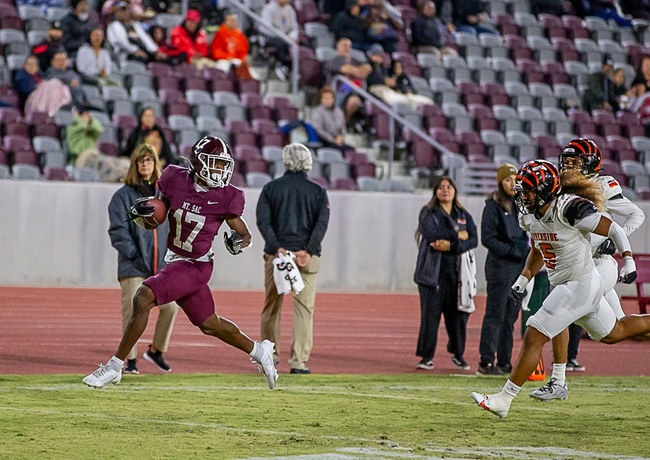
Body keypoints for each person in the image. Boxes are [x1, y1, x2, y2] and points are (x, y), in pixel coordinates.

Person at [82, 135, 279, 389]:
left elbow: (245, 234)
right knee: (210, 324)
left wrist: (239, 242)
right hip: (176, 258)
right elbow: (162, 208)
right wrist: (150, 212)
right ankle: (259, 351)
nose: (220, 169)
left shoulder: (226, 196)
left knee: (143, 297)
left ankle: (115, 366)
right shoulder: (174, 178)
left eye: (223, 164)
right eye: (215, 163)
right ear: (199, 162)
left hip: (197, 265)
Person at [471, 159, 650, 419]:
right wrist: (524, 278)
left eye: (527, 190)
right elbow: (539, 246)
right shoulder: (530, 215)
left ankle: (504, 399)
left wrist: (629, 259)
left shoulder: (569, 208)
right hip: (571, 284)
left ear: (544, 189)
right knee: (614, 332)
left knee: (534, 332)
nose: (522, 195)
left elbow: (613, 229)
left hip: (581, 283)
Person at [528, 139, 645, 400]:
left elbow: (636, 215)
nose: (568, 165)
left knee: (558, 308)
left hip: (598, 263)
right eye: (566, 160)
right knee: (617, 331)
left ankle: (558, 381)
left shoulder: (603, 185)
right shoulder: (558, 186)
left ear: (591, 164)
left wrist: (614, 240)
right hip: (575, 263)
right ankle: (559, 381)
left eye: (575, 162)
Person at [256, 144, 330, 374]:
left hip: (277, 257)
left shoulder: (270, 189)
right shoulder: (318, 192)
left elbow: (263, 222)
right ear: (308, 162)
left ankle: (270, 357)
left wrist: (278, 248)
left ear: (286, 161)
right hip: (304, 258)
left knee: (272, 309)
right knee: (304, 310)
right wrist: (307, 250)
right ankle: (298, 361)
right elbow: (321, 224)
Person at [108, 144, 180, 374]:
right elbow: (118, 231)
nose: (145, 164)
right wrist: (135, 255)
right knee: (132, 310)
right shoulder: (122, 196)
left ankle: (157, 351)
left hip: (160, 265)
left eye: (149, 160)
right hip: (133, 266)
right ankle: (129, 361)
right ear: (135, 164)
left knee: (170, 308)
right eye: (141, 161)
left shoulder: (164, 195)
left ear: (155, 163)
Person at [413, 176, 478, 371]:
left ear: (455, 190)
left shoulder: (463, 214)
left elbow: (473, 239)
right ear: (435, 191)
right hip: (432, 274)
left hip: (457, 274)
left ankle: (458, 355)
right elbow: (431, 233)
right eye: (440, 187)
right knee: (430, 316)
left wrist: (451, 245)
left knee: (458, 316)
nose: (445, 190)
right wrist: (457, 235)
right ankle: (426, 357)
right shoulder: (428, 212)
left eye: (449, 187)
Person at [477, 164, 529, 375]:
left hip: (518, 267)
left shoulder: (520, 205)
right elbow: (487, 238)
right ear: (500, 182)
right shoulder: (492, 207)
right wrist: (512, 251)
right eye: (508, 180)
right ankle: (486, 362)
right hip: (500, 267)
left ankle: (505, 361)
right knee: (495, 314)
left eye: (515, 179)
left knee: (510, 317)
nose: (512, 184)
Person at [326, 38, 372, 132]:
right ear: (337, 48)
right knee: (353, 84)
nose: (347, 48)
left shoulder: (354, 60)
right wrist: (358, 71)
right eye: (344, 46)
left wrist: (356, 71)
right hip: (339, 90)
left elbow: (368, 68)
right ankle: (338, 125)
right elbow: (346, 69)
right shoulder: (334, 60)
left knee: (354, 101)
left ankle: (343, 124)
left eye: (348, 46)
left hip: (356, 92)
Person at [259, 0, 300, 81]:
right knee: (281, 44)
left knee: (305, 45)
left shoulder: (290, 10)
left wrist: (293, 36)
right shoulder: (268, 9)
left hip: (287, 37)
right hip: (272, 37)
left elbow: (294, 28)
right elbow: (266, 29)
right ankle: (282, 65)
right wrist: (283, 36)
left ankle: (299, 70)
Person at [208, 12, 255, 80]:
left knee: (251, 74)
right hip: (223, 60)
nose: (232, 22)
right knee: (223, 70)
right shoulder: (220, 33)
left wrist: (240, 60)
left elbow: (243, 51)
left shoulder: (240, 35)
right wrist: (227, 57)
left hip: (237, 60)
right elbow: (215, 51)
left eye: (234, 20)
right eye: (230, 20)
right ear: (226, 21)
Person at [308, 85, 353, 152]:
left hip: (338, 140)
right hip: (325, 141)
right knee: (340, 150)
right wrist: (332, 140)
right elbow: (318, 130)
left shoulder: (338, 111)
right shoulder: (317, 112)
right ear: (321, 99)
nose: (328, 100)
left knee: (351, 150)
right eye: (326, 98)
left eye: (330, 98)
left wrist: (341, 137)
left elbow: (343, 127)